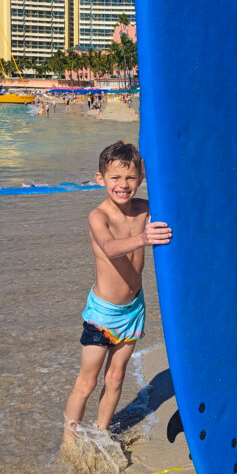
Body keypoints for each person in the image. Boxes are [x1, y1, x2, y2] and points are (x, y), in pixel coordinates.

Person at [63, 140, 172, 442]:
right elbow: (110, 248)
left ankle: (100, 435)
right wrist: (143, 239)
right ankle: (69, 442)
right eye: (115, 178)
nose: (123, 185)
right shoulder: (98, 216)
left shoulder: (144, 210)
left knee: (115, 377)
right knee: (87, 381)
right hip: (103, 314)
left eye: (130, 178)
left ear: (141, 178)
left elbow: (186, 207)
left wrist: (235, 192)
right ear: (101, 179)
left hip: (133, 310)